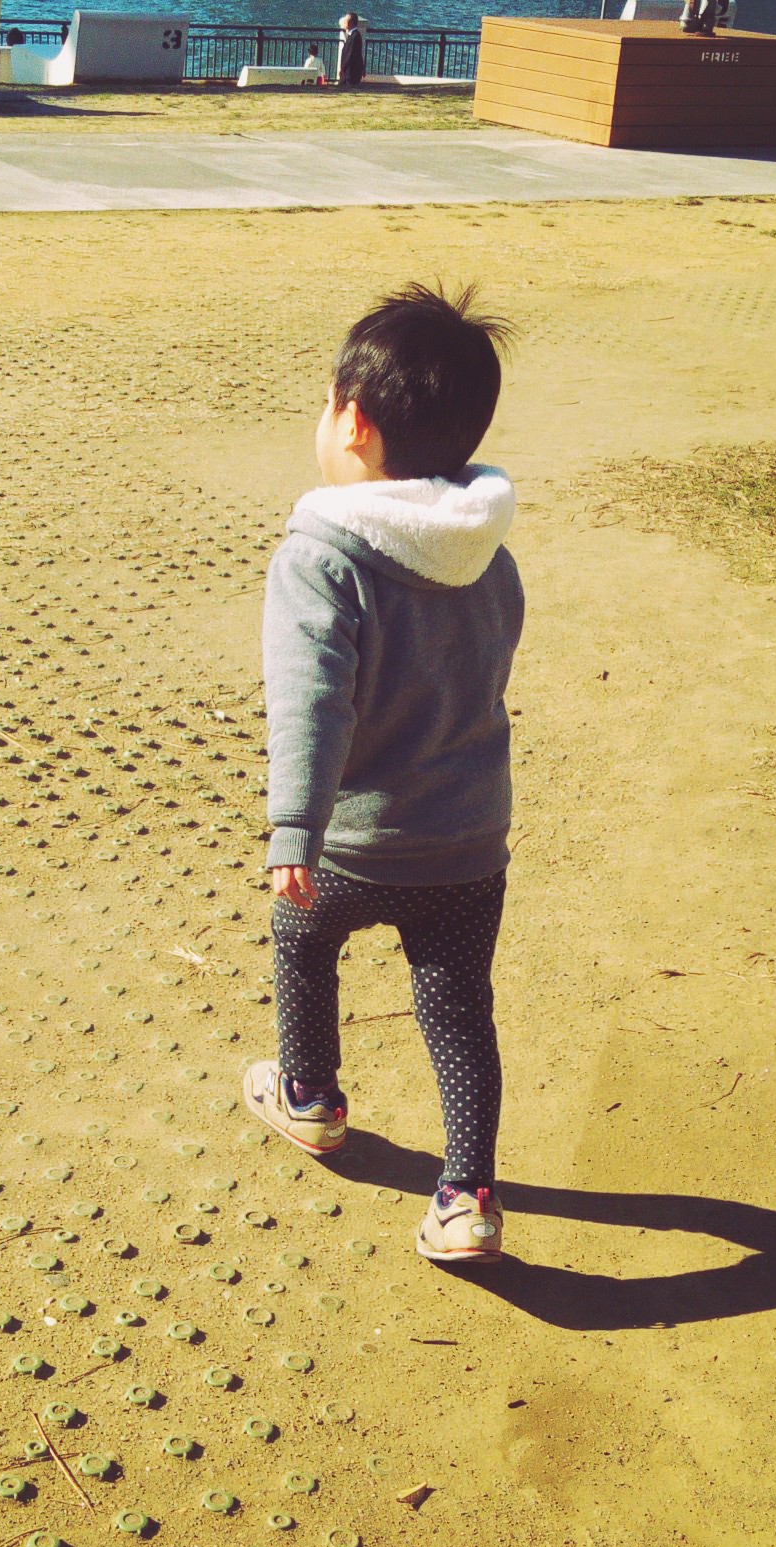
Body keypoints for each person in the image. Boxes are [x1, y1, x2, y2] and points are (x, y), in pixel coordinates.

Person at [242, 284, 521, 1265]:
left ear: (353, 422)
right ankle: (468, 1197)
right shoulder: (485, 554)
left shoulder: (320, 560)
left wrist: (294, 829)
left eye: (326, 405)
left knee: (301, 939)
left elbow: (311, 704)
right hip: (470, 843)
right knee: (458, 1004)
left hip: (357, 842)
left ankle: (310, 1095)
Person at [337, 13, 366, 86]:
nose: (344, 22)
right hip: (348, 71)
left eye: (346, 20)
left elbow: (351, 54)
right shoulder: (352, 35)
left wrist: (343, 68)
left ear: (351, 22)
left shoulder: (355, 36)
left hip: (351, 72)